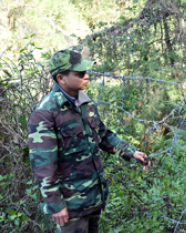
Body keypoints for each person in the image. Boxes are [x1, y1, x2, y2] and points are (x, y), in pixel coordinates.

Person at [28, 46, 151, 232]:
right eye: (80, 73)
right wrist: (55, 203)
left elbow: (103, 135)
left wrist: (131, 152)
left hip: (93, 197)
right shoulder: (46, 113)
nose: (86, 76)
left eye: (86, 71)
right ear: (61, 78)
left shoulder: (85, 103)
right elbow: (43, 165)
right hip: (70, 206)